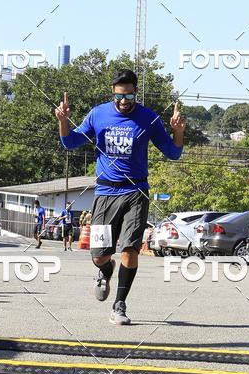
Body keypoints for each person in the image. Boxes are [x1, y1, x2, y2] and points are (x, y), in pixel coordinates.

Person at [56, 68, 185, 325]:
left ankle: (119, 305)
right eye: (118, 97)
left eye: (128, 96)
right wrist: (63, 121)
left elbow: (173, 153)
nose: (123, 102)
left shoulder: (148, 119)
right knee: (99, 255)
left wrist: (178, 131)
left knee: (130, 249)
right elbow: (69, 143)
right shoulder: (97, 114)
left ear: (136, 92)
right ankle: (106, 269)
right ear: (112, 94)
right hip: (105, 193)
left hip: (136, 192)